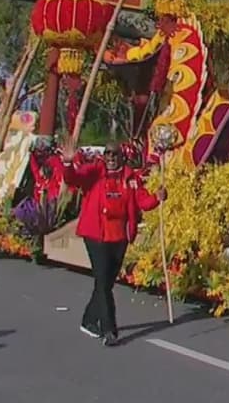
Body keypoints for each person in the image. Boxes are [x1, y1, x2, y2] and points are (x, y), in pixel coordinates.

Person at [62, 139, 162, 347]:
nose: (110, 158)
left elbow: (143, 202)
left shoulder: (131, 179)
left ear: (121, 157)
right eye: (107, 154)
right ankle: (110, 329)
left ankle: (89, 320)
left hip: (119, 238)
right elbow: (72, 179)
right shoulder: (95, 173)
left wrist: (158, 197)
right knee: (103, 283)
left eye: (114, 154)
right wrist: (68, 163)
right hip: (96, 236)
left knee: (105, 283)